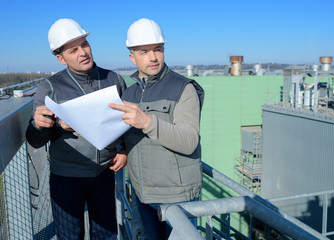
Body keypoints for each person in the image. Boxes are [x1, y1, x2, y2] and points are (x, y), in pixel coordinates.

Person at [26, 18, 127, 239]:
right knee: (70, 236)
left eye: (85, 44)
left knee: (106, 235)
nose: (83, 52)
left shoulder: (114, 79)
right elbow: (35, 140)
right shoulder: (50, 87)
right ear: (61, 58)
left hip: (104, 173)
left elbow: (125, 123)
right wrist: (39, 125)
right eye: (73, 50)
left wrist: (122, 149)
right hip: (67, 177)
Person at [109, 18, 204, 239]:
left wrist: (148, 122)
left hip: (177, 197)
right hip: (143, 195)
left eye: (158, 49)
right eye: (144, 52)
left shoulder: (183, 88)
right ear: (132, 57)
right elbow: (126, 137)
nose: (153, 57)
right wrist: (121, 149)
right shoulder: (129, 94)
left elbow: (189, 141)